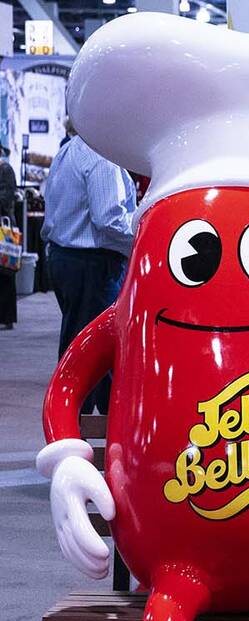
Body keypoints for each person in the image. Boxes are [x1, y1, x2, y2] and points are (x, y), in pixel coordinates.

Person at [42, 118, 136, 412]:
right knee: (94, 350)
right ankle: (80, 423)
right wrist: (143, 239)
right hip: (93, 263)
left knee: (81, 343)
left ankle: (91, 420)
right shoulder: (102, 158)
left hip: (66, 257)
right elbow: (109, 221)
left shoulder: (69, 150)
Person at [0, 145, 17, 329]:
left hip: (4, 231)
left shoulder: (5, 169)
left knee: (5, 273)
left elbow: (6, 199)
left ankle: (7, 317)